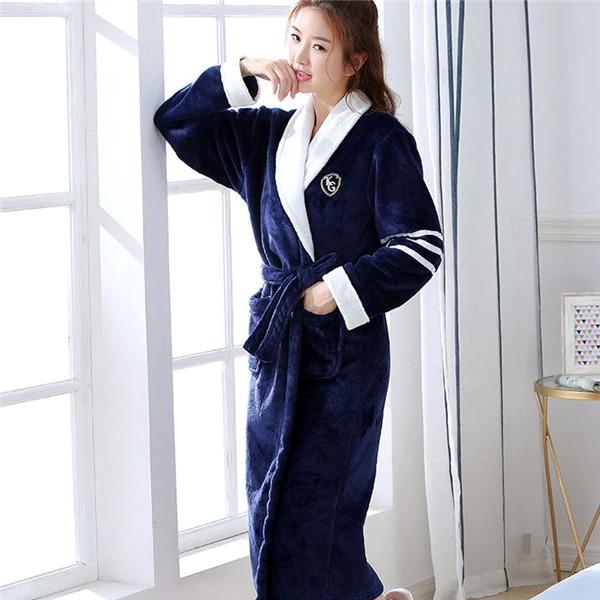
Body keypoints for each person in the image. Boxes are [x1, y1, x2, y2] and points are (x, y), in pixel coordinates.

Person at [153, 1, 443, 599]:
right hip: (279, 351)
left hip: (345, 356)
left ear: (354, 60)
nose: (300, 56)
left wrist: (334, 292)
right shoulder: (266, 136)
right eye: (294, 38)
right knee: (270, 505)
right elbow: (176, 122)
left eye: (319, 46)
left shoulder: (381, 140)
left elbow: (421, 246)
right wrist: (244, 72)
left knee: (321, 516)